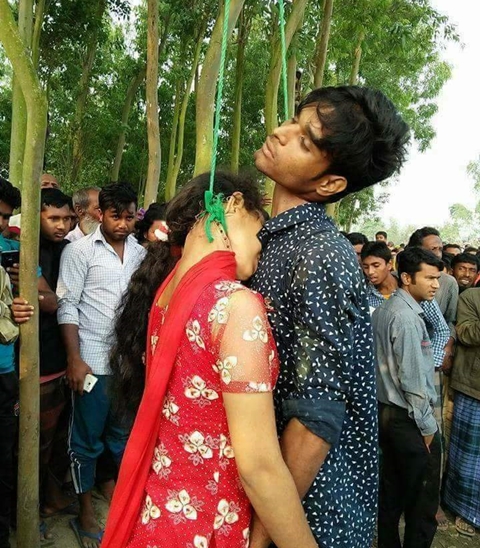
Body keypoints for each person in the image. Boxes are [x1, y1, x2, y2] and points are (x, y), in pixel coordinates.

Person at [102, 173, 318, 548]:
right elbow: (259, 468)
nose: (262, 248)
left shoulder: (166, 292)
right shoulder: (234, 305)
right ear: (233, 205)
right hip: (204, 524)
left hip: (157, 515)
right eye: (260, 232)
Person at [249, 85, 410, 547]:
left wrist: (258, 539)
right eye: (292, 121)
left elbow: (315, 417)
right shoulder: (272, 240)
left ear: (330, 184)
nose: (280, 133)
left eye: (304, 140)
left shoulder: (320, 254)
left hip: (309, 516)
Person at [57, 183, 146, 547]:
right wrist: (74, 359)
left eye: (129, 217)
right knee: (85, 440)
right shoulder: (79, 252)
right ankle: (85, 512)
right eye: (115, 216)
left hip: (127, 365)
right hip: (92, 362)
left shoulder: (141, 253)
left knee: (121, 435)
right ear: (99, 214)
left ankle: (117, 496)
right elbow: (67, 306)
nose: (123, 224)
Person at [373, 247, 443, 548]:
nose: (436, 285)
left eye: (437, 278)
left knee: (392, 492)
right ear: (406, 278)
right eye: (429, 278)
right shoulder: (406, 319)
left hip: (387, 413)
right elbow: (413, 381)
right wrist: (427, 428)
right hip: (408, 418)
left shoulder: (386, 310)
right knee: (422, 501)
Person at [443, 287, 480, 537]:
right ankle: (465, 511)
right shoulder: (471, 297)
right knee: (468, 457)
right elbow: (465, 333)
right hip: (472, 386)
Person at [0, 176, 21, 548]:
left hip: (5, 370)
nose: (1, 224)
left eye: (5, 217)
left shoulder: (8, 256)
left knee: (4, 456)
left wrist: (16, 309)